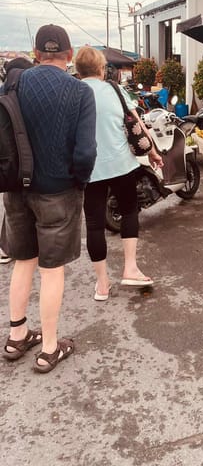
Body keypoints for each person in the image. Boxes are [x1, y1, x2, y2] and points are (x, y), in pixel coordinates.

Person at [3, 24, 97, 373]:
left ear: (36, 52)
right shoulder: (79, 92)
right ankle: (49, 349)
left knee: (23, 261)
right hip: (58, 191)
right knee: (51, 269)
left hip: (16, 191)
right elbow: (86, 152)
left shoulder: (14, 84)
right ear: (70, 55)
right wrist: (79, 182)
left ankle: (17, 335)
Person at [75, 46, 163, 301]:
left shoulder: (74, 92)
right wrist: (153, 152)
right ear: (102, 68)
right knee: (129, 210)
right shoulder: (115, 89)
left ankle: (102, 285)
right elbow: (136, 122)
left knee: (93, 224)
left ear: (78, 71)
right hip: (121, 163)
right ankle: (130, 268)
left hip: (89, 168)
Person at [0, 57, 35, 264]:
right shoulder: (31, 97)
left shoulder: (2, 95)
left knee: (13, 211)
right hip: (33, 169)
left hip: (9, 172)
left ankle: (7, 249)